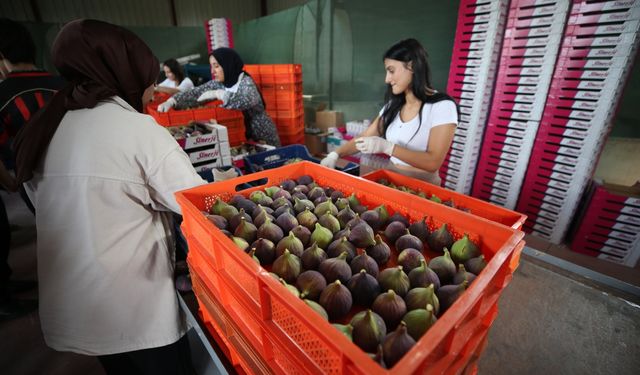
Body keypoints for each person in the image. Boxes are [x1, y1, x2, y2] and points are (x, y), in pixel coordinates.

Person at [12, 19, 205, 374]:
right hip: (136, 311)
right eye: (149, 78)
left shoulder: (47, 125)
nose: (153, 91)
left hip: (79, 304)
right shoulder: (138, 132)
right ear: (125, 73)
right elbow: (197, 204)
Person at [321, 38, 458, 186]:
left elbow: (433, 162)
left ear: (411, 66)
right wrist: (335, 154)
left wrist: (388, 147)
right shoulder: (394, 105)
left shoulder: (442, 106)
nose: (387, 79)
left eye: (391, 71)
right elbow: (364, 137)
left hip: (422, 186)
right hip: (390, 180)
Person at [0, 18, 65, 320]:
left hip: (34, 182)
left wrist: (10, 182)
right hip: (75, 175)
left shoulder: (4, 94)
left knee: (55, 235)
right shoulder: (63, 85)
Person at [157, 48, 281, 147]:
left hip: (260, 132)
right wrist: (174, 100)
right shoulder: (220, 82)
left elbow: (247, 100)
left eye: (216, 66)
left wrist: (221, 94)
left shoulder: (245, 81)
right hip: (239, 133)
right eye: (211, 66)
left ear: (228, 65)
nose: (213, 71)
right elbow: (196, 93)